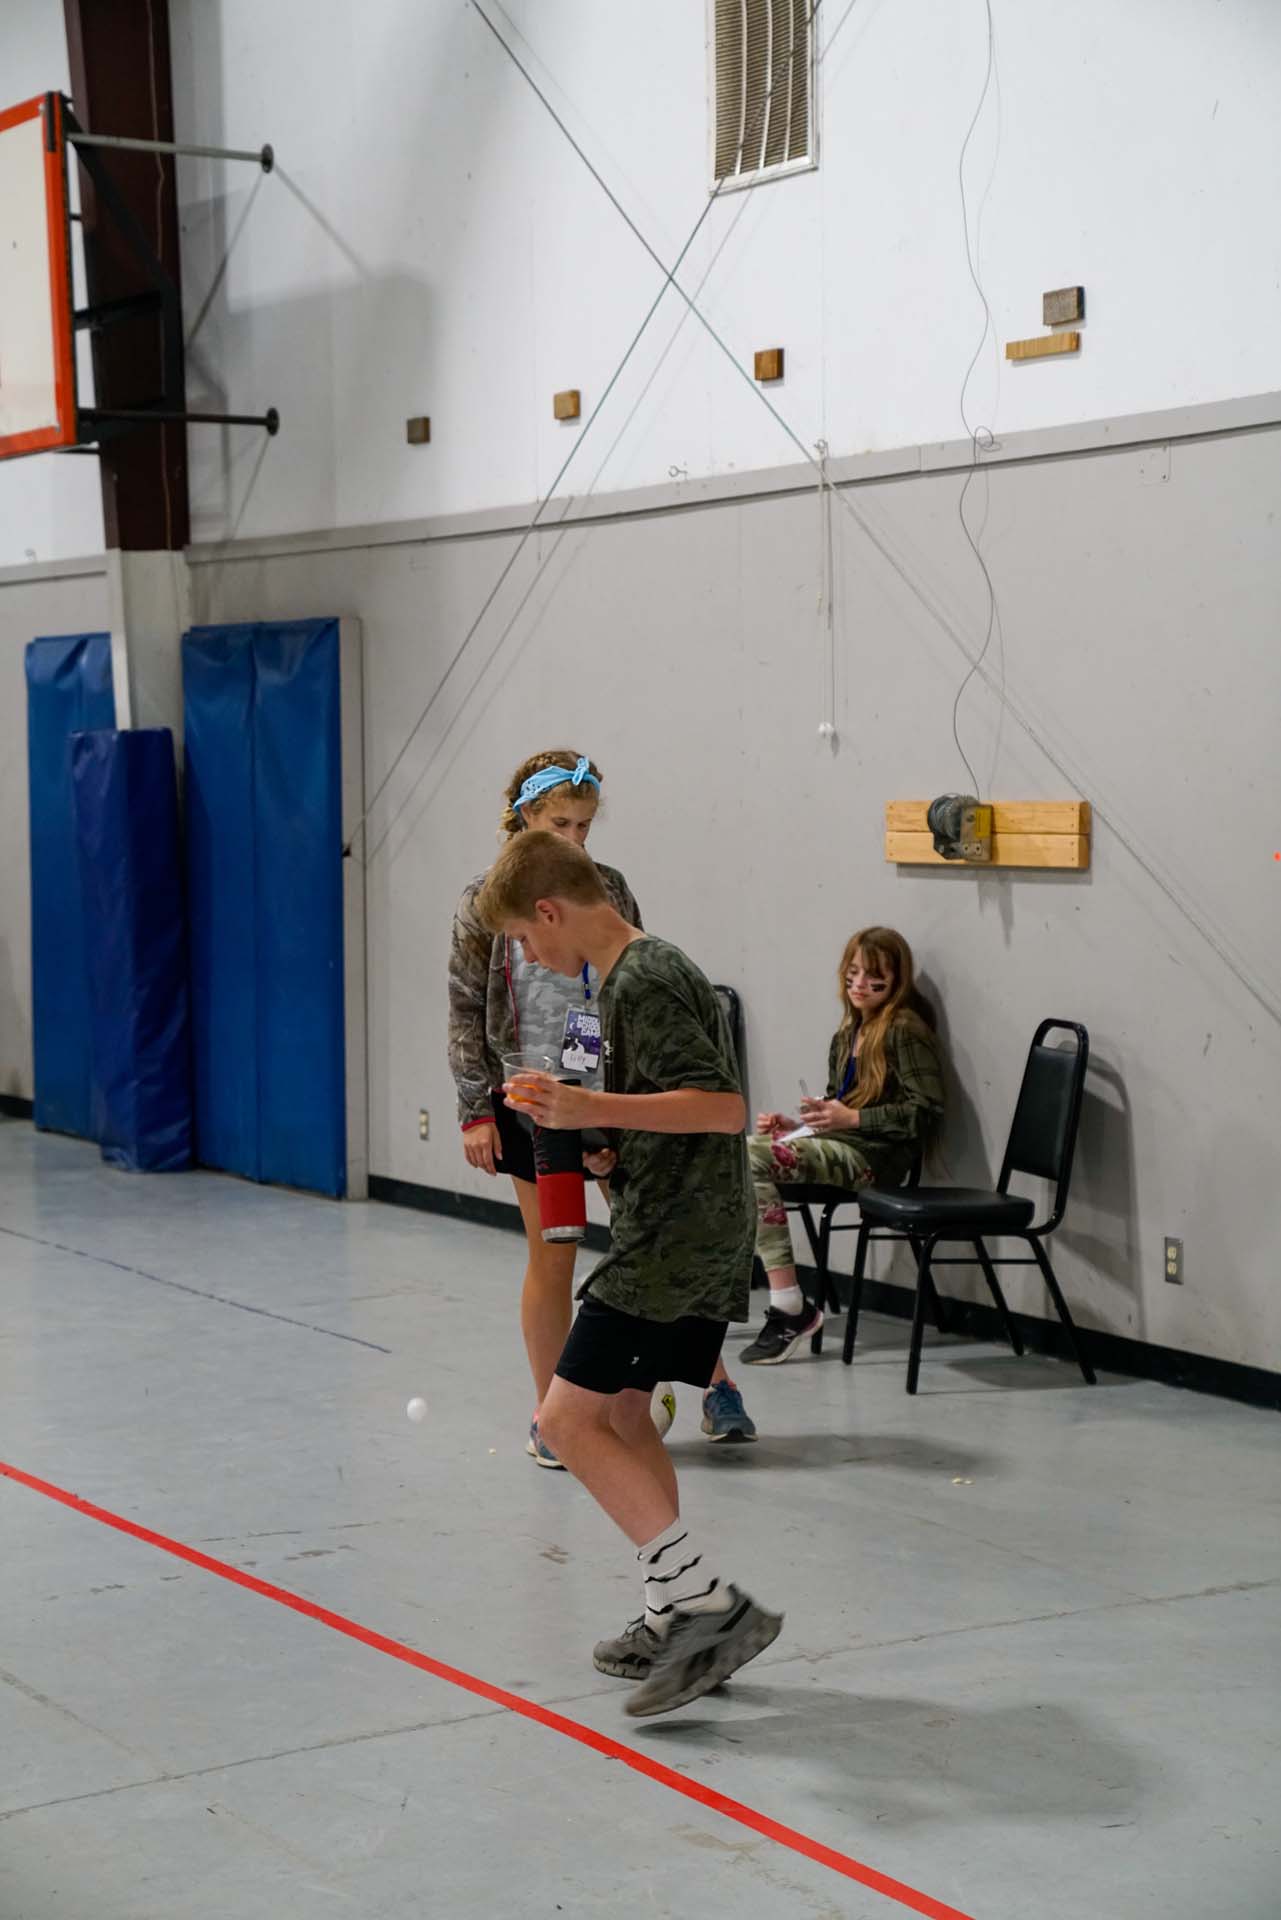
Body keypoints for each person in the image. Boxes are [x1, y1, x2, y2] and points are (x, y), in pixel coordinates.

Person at [475, 830, 781, 1717]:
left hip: (676, 1236)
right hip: (673, 1217)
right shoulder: (620, 983)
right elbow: (666, 1109)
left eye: (525, 939)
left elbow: (722, 1107)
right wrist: (604, 1145)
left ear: (549, 911)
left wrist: (587, 1105)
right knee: (619, 1414)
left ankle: (709, 1610)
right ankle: (666, 1616)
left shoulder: (643, 977)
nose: (529, 957)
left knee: (563, 1420)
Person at [447, 750, 754, 1466]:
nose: (575, 839)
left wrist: (595, 1097)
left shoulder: (604, 889)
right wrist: (474, 1108)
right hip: (530, 1097)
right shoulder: (485, 902)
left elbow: (622, 984)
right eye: (561, 824)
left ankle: (712, 1380)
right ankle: (552, 1414)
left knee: (650, 1238)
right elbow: (464, 1007)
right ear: (526, 816)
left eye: (584, 825)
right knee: (552, 1250)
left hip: (606, 1090)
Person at [739, 927, 944, 1365]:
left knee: (749, 1156)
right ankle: (786, 1301)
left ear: (896, 980)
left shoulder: (904, 1030)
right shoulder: (849, 1033)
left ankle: (789, 1306)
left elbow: (925, 1112)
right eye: (853, 973)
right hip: (843, 1147)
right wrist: (798, 1127)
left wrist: (852, 1119)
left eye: (873, 975)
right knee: (744, 1150)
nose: (859, 984)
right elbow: (841, 1106)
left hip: (874, 1159)